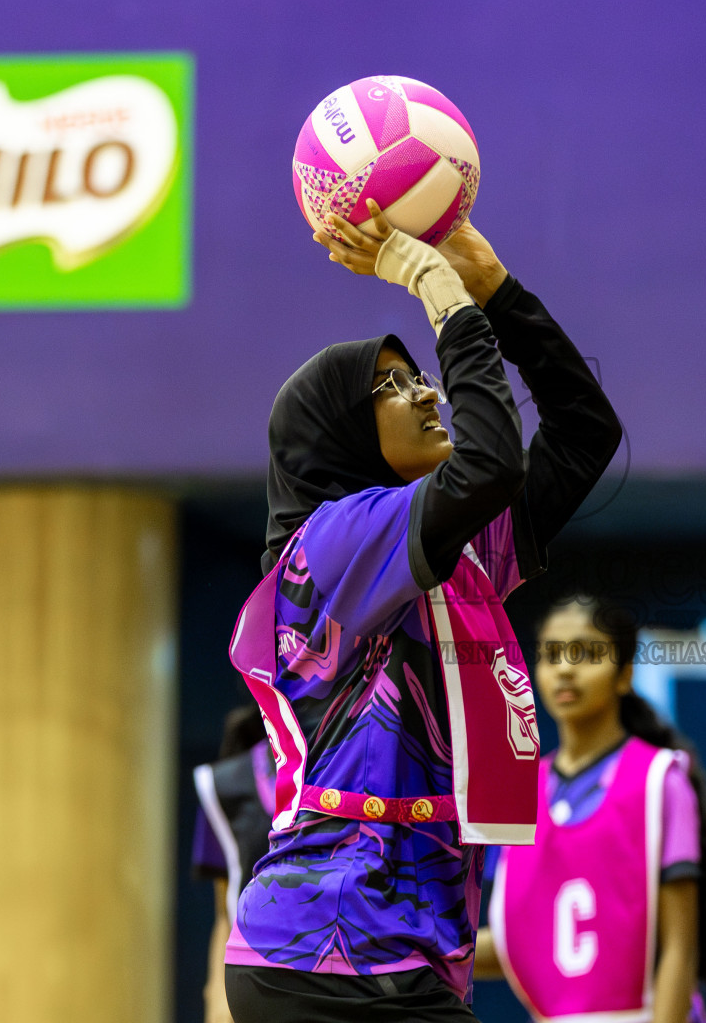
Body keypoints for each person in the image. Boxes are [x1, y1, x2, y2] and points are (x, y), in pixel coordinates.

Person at [221, 200, 622, 1023]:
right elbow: (488, 467)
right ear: (340, 436)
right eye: (392, 386)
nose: (425, 392)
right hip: (328, 944)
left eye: (419, 373)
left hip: (407, 948)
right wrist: (438, 293)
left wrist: (498, 292)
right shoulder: (328, 548)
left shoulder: (455, 557)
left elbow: (584, 434)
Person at [474, 594, 706, 1023]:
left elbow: (678, 945)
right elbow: (516, 946)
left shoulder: (660, 780)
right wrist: (412, 947)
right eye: (551, 655)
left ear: (624, 674)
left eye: (584, 653)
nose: (565, 668)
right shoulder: (521, 791)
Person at [192, 704, 277, 1023]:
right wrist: (217, 999)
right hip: (252, 982)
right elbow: (224, 913)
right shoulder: (224, 786)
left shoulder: (354, 771)